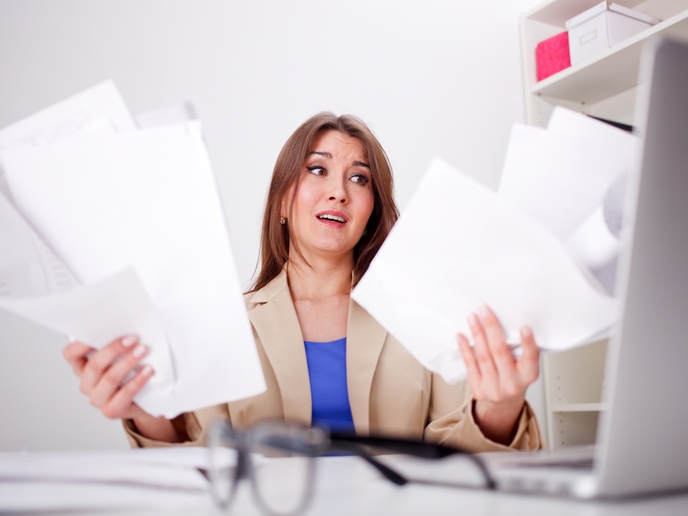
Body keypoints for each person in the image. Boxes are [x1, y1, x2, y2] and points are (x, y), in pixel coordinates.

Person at [63, 113, 543, 452]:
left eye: (360, 179)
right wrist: (145, 410)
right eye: (317, 169)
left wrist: (499, 410)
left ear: (371, 212)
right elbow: (198, 462)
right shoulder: (222, 325)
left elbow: (459, 463)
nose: (338, 191)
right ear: (281, 202)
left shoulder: (419, 315)